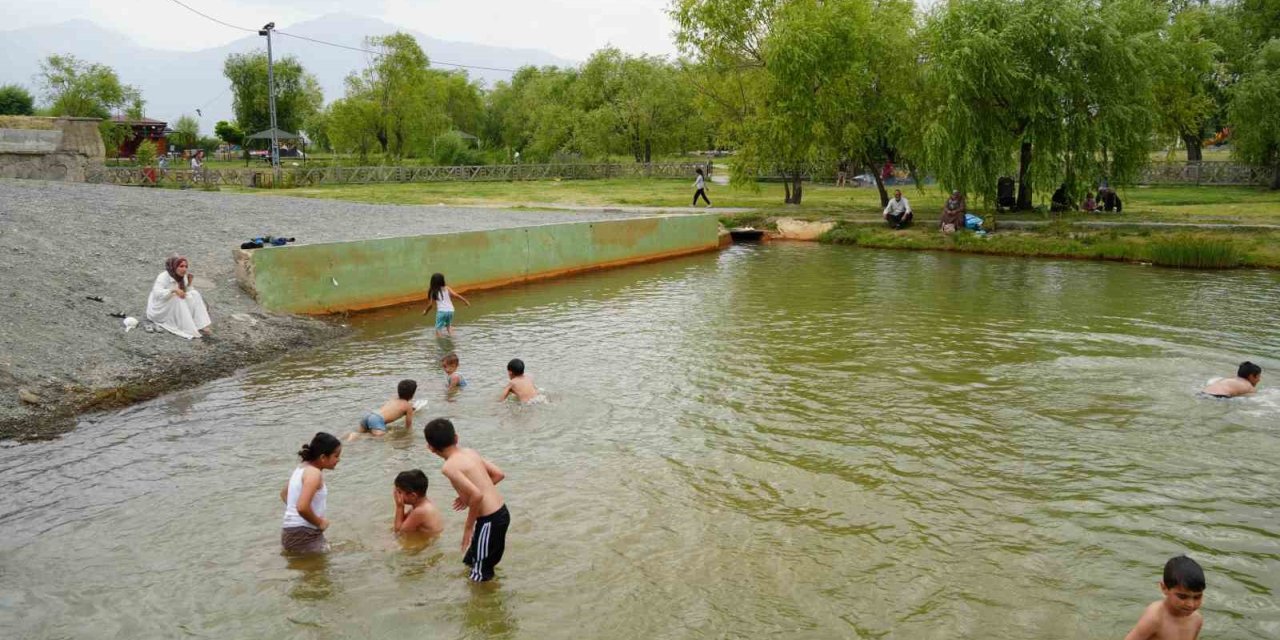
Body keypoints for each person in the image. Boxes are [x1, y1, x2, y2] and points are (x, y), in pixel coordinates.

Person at [424, 418, 509, 582]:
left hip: (489, 521)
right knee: (471, 562)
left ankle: (483, 604)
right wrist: (468, 496)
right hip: (501, 513)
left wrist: (468, 527)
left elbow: (477, 495)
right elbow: (498, 474)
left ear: (431, 448)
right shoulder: (470, 452)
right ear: (456, 438)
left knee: (479, 575)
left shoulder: (448, 467)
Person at [280, 432, 342, 554]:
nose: (339, 460)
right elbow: (302, 507)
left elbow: (284, 494)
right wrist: (320, 522)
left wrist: (294, 517)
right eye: (336, 456)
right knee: (320, 571)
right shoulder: (314, 473)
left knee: (311, 570)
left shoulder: (301, 468)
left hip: (291, 531)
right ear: (323, 457)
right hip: (304, 533)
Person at [1123, 555, 1205, 640]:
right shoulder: (1154, 618)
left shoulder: (1197, 620)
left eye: (1197, 597)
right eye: (1182, 596)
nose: (1190, 605)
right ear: (1164, 588)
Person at [146, 255, 211, 339]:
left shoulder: (182, 276)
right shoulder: (163, 277)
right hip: (160, 307)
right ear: (174, 267)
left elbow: (187, 291)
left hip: (173, 303)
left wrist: (189, 283)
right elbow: (157, 293)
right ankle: (185, 326)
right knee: (176, 297)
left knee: (195, 294)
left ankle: (201, 324)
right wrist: (173, 290)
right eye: (181, 266)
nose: (184, 269)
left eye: (186, 266)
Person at [350, 379, 417, 440]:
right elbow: (408, 426)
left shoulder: (393, 399)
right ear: (412, 395)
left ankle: (354, 435)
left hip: (370, 415)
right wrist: (409, 435)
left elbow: (395, 408)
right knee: (381, 437)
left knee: (360, 433)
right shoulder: (408, 407)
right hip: (377, 419)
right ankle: (358, 436)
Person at [393, 469, 445, 537]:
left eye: (399, 492)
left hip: (427, 545)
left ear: (413, 496)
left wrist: (399, 507)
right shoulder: (421, 506)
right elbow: (402, 522)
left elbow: (399, 532)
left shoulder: (420, 511)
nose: (396, 494)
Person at [422, 273, 471, 337]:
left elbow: (430, 305)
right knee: (448, 326)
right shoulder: (447, 288)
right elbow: (456, 295)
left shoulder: (432, 291)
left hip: (441, 312)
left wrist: (425, 311)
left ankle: (441, 342)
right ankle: (453, 338)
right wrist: (465, 301)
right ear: (442, 280)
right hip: (451, 311)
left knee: (438, 329)